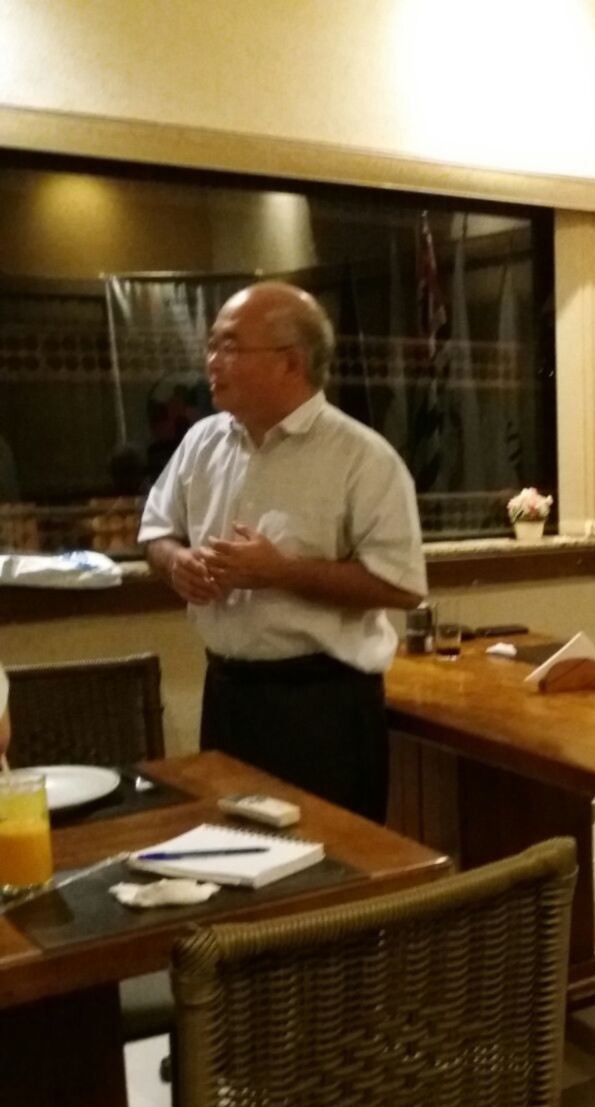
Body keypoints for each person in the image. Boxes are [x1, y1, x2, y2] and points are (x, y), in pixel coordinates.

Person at [139, 282, 425, 822]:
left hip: (323, 704)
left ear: (290, 362)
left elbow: (402, 585)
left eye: (229, 346)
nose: (211, 362)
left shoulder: (363, 458)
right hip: (227, 695)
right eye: (211, 346)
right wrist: (176, 563)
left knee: (336, 860)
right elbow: (156, 532)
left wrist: (281, 572)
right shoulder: (202, 442)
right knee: (228, 851)